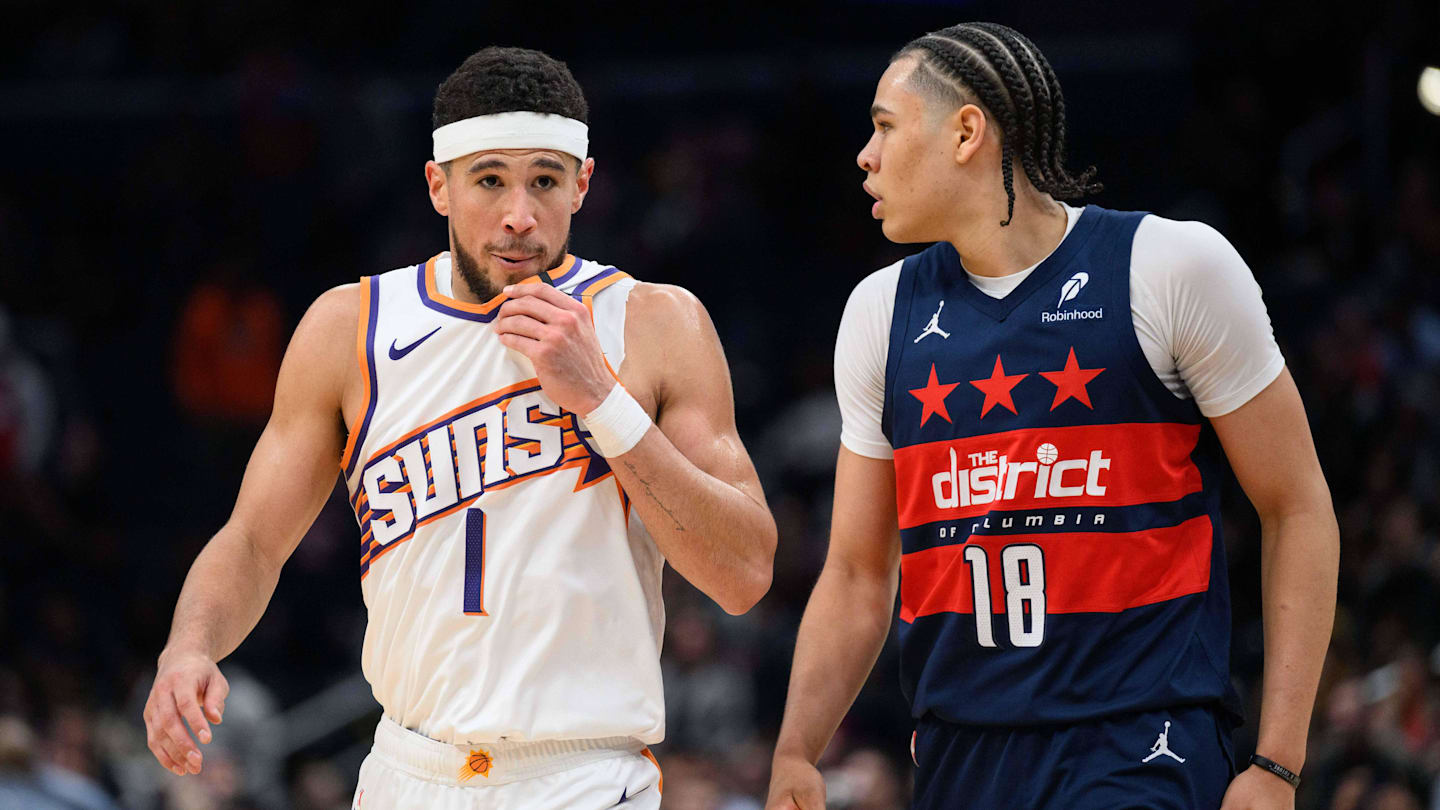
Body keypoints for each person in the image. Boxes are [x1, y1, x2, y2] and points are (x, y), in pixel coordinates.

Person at [142, 46, 777, 810]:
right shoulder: (350, 328)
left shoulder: (654, 323)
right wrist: (189, 647)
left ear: (583, 184)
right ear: (438, 185)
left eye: (545, 180)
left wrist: (602, 401)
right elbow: (252, 541)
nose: (520, 215)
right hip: (406, 772)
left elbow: (744, 572)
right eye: (489, 180)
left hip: (583, 775)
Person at [766, 22, 1337, 810]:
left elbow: (1297, 505)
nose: (865, 155)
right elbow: (860, 573)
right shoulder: (879, 311)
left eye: (886, 127)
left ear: (967, 132)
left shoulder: (1171, 267)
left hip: (1140, 745)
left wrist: (1277, 766)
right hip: (961, 755)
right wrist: (796, 750)